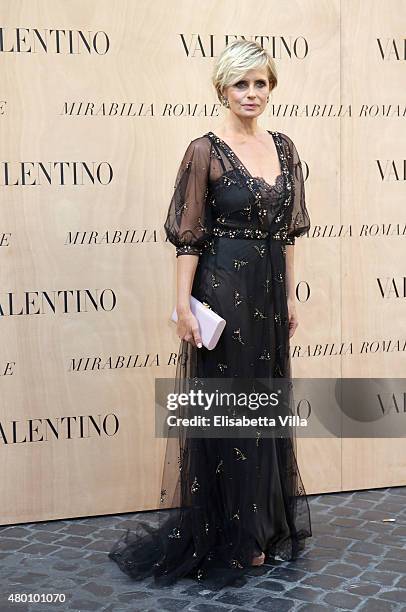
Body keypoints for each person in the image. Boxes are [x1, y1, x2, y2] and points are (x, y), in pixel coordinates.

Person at [108, 39, 312, 589]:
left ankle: (262, 528)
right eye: (241, 84)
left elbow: (288, 233)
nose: (252, 94)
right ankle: (231, 536)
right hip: (222, 290)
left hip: (267, 292)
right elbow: (188, 237)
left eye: (261, 83)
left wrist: (291, 295)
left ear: (272, 88)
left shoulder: (286, 148)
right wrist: (182, 305)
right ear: (223, 89)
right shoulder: (204, 150)